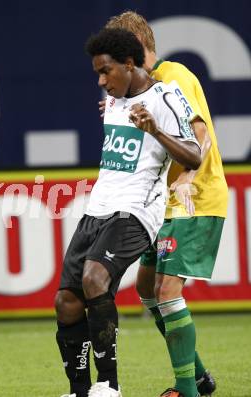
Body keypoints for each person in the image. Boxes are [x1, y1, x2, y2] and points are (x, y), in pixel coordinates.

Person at [55, 27, 202, 397]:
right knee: (67, 300)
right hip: (98, 209)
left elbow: (193, 155)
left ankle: (109, 386)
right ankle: (79, 390)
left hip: (137, 212)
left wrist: (154, 131)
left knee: (94, 279)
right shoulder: (116, 100)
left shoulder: (166, 98)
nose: (102, 81)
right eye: (98, 74)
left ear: (131, 63)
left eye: (107, 71)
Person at [102, 11, 228, 397]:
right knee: (146, 288)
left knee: (168, 290)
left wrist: (190, 176)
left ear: (134, 51)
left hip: (195, 199)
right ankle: (200, 376)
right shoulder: (141, 90)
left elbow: (199, 131)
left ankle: (186, 389)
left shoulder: (173, 75)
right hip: (163, 205)